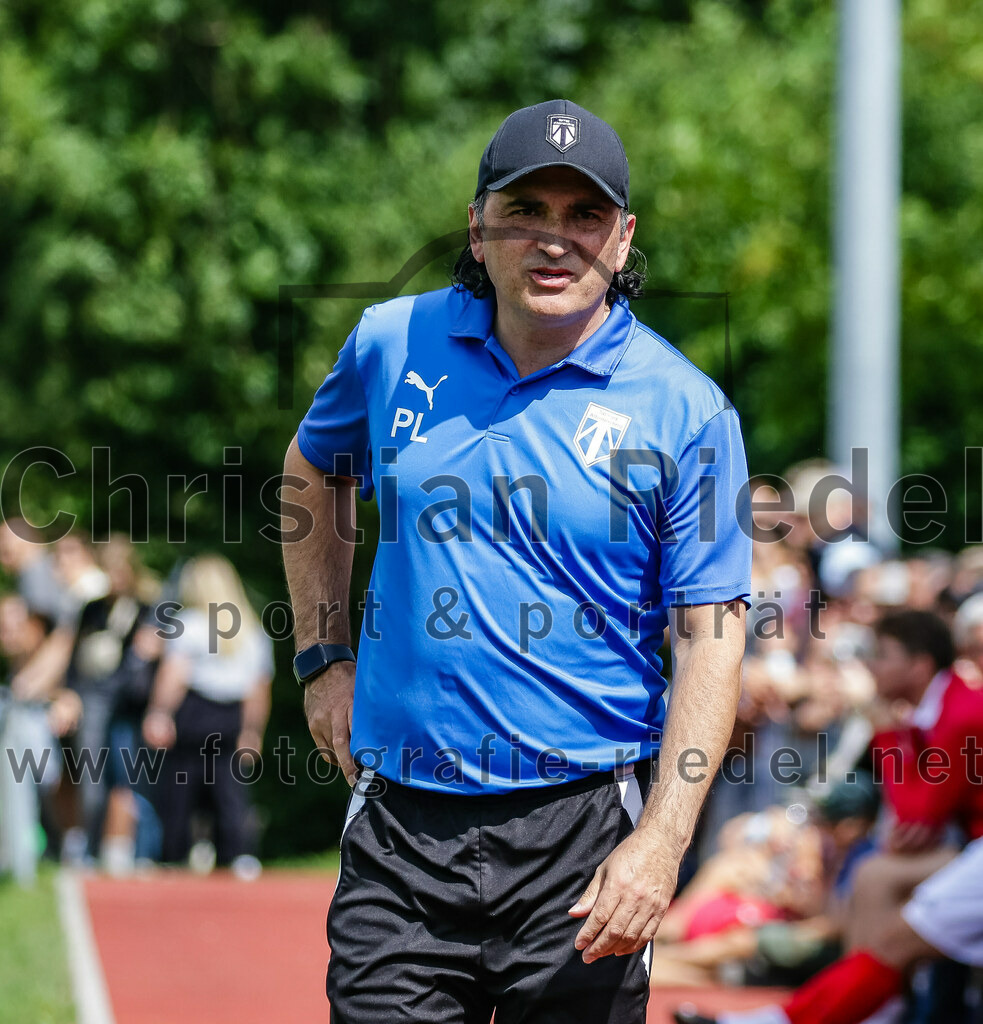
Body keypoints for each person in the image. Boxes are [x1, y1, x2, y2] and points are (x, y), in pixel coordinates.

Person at [282, 99, 752, 1022]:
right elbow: (312, 472)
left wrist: (660, 844)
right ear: (477, 224)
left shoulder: (684, 408)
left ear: (622, 239)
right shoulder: (390, 342)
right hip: (401, 827)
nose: (553, 240)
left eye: (583, 216)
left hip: (581, 837)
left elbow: (711, 642)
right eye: (525, 209)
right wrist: (320, 658)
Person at [142, 554, 272, 876]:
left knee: (180, 783)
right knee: (230, 788)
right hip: (231, 714)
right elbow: (258, 688)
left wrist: (158, 713)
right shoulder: (252, 630)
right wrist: (252, 730)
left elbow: (174, 675)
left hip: (194, 710)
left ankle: (174, 853)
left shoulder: (189, 624)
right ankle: (239, 854)